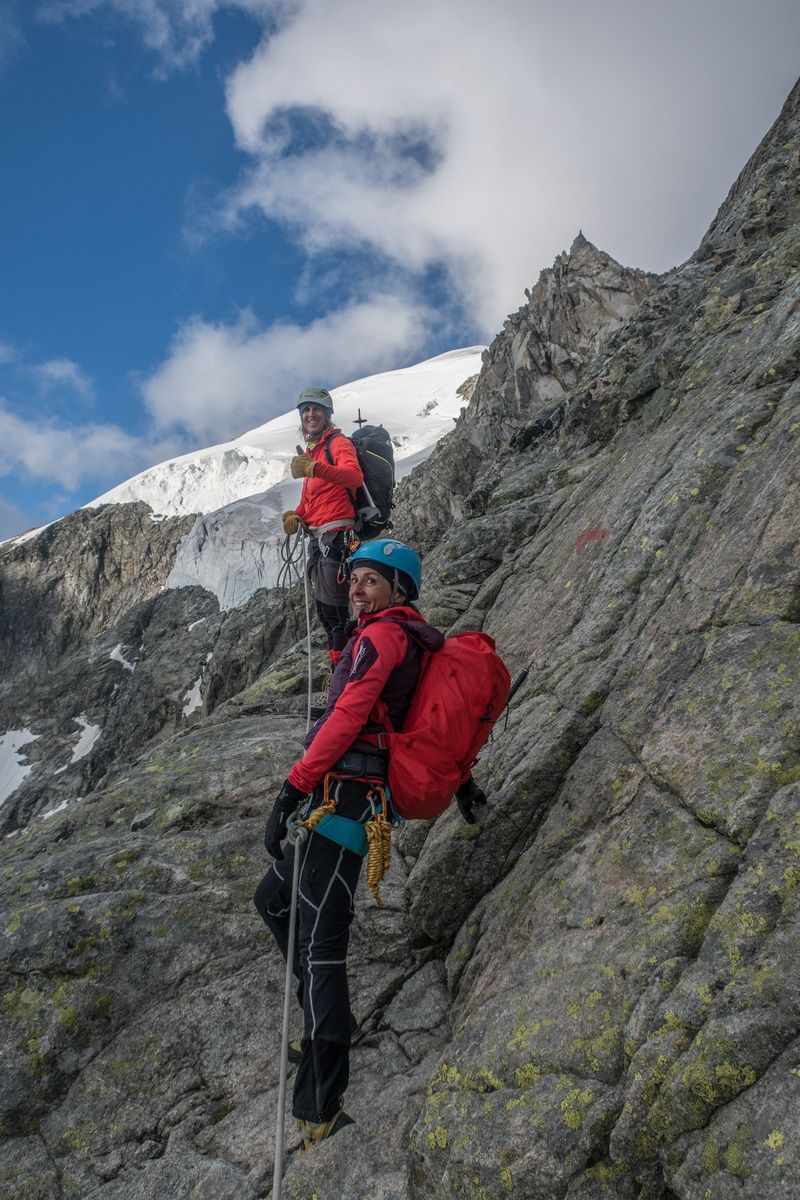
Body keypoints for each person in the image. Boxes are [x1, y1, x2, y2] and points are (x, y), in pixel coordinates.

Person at [253, 539, 487, 1148]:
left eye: (371, 580)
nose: (356, 588)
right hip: (351, 798)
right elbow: (411, 716)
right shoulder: (398, 636)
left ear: (399, 590)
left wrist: (291, 788)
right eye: (354, 578)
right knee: (273, 900)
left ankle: (321, 1103)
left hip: (345, 800)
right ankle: (325, 1020)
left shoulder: (381, 638)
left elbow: (349, 716)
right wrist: (464, 783)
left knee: (321, 946)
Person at [282, 387, 364, 669]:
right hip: (321, 539)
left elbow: (354, 476)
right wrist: (296, 515)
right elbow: (312, 501)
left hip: (338, 536)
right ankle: (339, 673)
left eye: (316, 409)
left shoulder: (337, 444)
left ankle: (344, 675)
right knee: (327, 612)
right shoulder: (313, 453)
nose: (310, 414)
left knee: (336, 612)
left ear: (327, 414)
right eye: (306, 410)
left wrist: (315, 468)